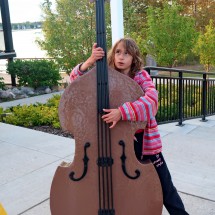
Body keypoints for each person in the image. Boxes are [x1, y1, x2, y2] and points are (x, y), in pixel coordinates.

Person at [70, 38, 189, 215]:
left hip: (143, 142)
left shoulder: (140, 76)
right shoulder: (105, 75)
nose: (121, 57)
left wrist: (122, 112)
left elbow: (152, 101)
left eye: (127, 53)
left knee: (164, 184)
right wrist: (89, 61)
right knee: (120, 188)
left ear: (134, 58)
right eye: (118, 52)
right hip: (114, 141)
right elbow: (75, 83)